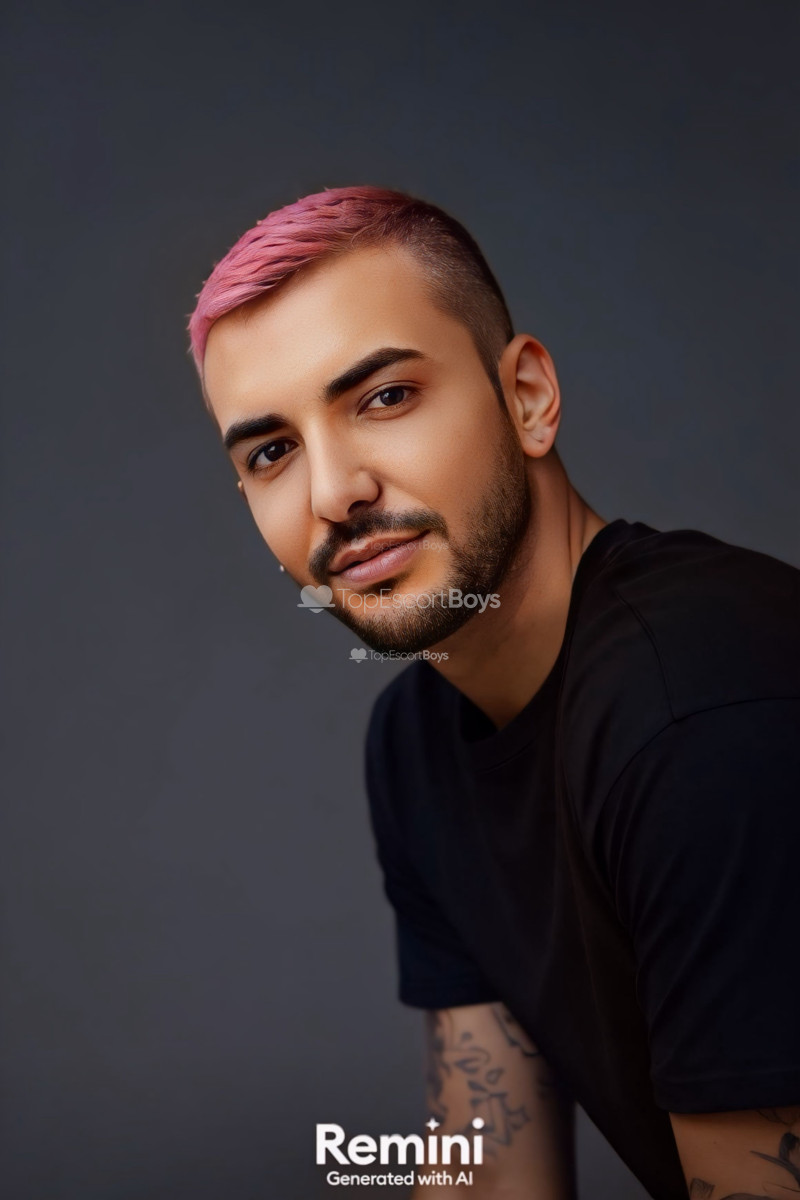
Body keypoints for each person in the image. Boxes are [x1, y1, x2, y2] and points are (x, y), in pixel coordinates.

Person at [186, 185, 800, 1200]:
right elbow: (489, 1169)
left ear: (527, 398)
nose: (333, 493)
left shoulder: (703, 715)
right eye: (272, 451)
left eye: (384, 397)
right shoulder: (420, 740)